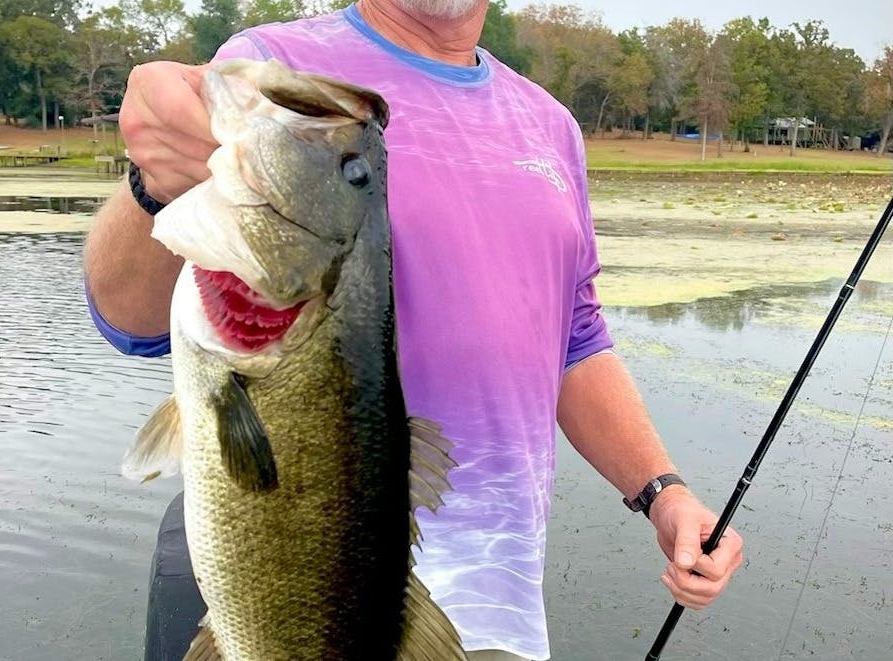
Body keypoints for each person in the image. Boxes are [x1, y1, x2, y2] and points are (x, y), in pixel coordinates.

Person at [83, 0, 745, 659]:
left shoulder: (550, 125)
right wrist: (154, 185)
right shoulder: (274, 70)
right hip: (305, 610)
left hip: (497, 621)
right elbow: (128, 318)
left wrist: (662, 491)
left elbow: (574, 341)